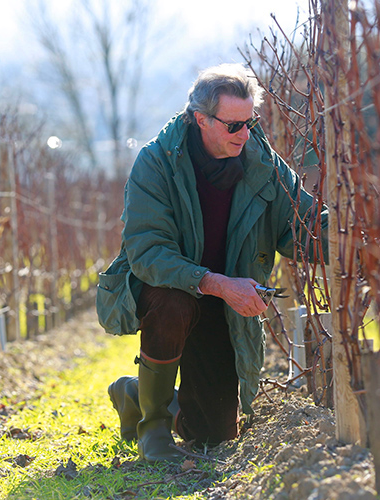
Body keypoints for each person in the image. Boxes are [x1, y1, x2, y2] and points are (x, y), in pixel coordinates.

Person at [96, 63, 327, 463]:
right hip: (173, 290)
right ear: (200, 119)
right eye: (232, 125)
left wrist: (348, 235)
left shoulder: (263, 164)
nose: (245, 134)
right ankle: (152, 428)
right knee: (172, 302)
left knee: (215, 433)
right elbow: (148, 253)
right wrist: (216, 283)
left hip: (224, 304)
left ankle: (136, 393)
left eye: (249, 123)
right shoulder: (157, 162)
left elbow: (301, 224)